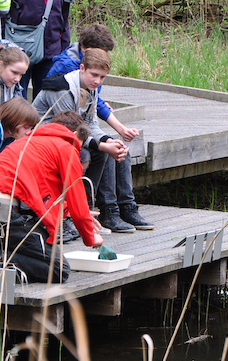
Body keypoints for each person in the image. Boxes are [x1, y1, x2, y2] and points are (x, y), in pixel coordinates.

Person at [0, 111, 103, 284]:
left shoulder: (26, 143)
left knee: (27, 249)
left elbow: (45, 196)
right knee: (58, 270)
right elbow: (77, 198)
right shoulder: (66, 147)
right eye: (79, 146)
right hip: (2, 214)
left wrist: (71, 213)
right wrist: (90, 238)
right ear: (75, 135)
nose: (77, 150)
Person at [32, 48, 153, 233]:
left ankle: (120, 209)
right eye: (94, 75)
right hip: (45, 141)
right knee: (94, 153)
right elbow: (71, 131)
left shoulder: (91, 89)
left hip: (70, 138)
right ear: (82, 68)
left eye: (102, 77)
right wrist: (103, 145)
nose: (97, 81)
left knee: (116, 148)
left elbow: (91, 124)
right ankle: (86, 212)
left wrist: (107, 140)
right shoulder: (62, 90)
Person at [47, 23, 139, 141]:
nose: (102, 57)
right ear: (84, 48)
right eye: (99, 52)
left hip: (82, 122)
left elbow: (93, 99)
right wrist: (118, 131)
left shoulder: (94, 69)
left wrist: (120, 131)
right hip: (61, 127)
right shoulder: (66, 66)